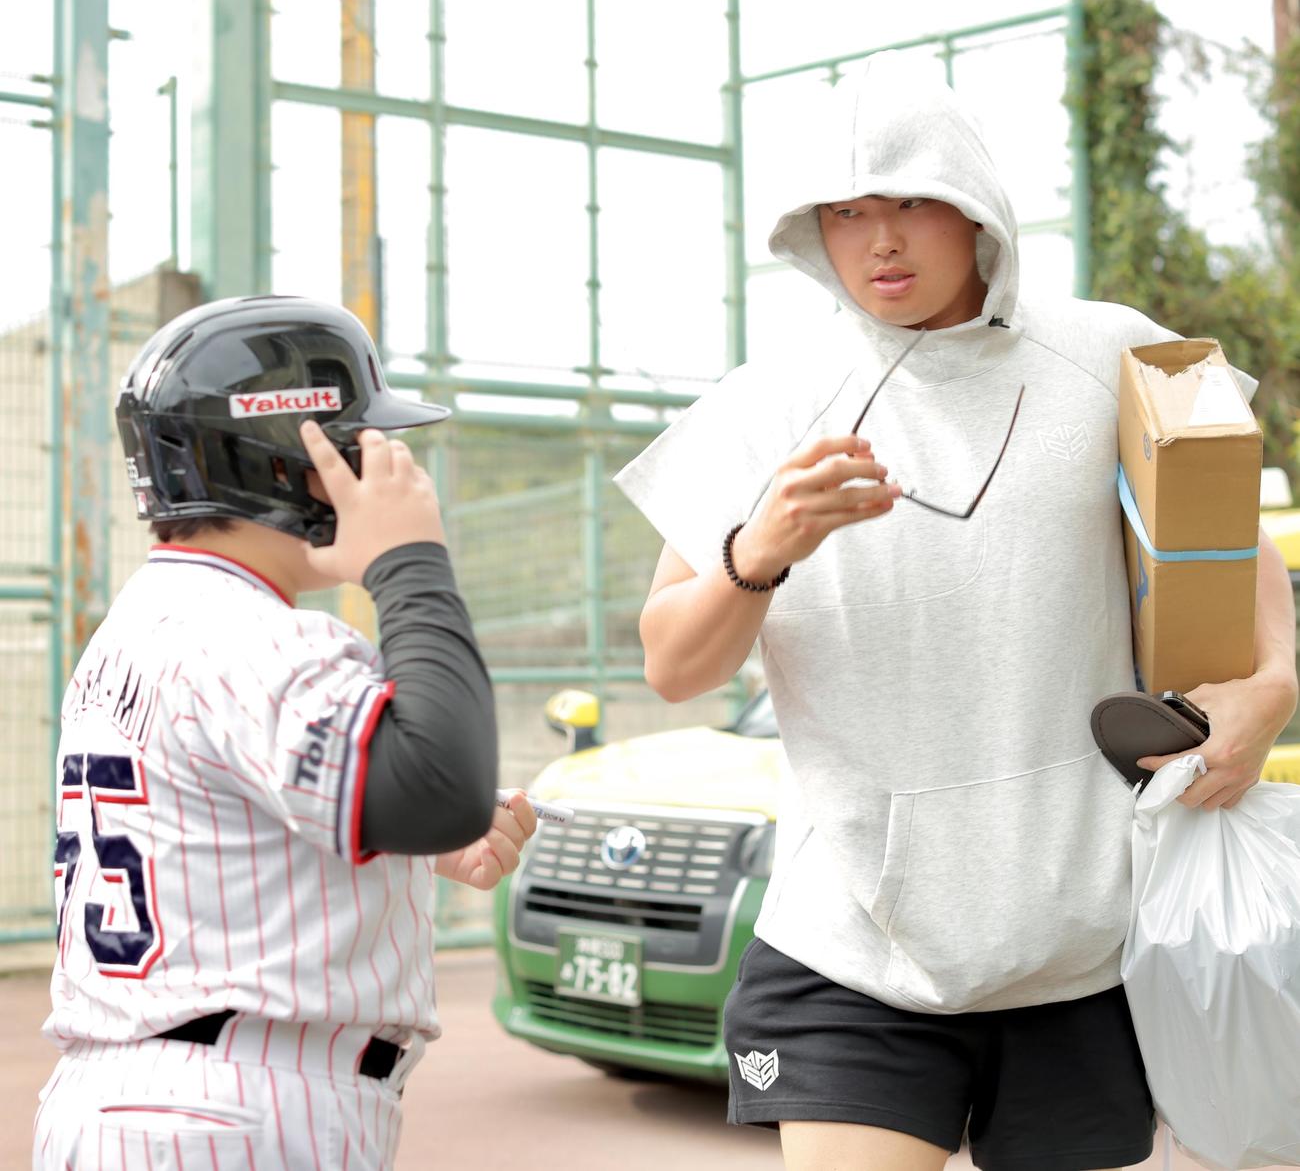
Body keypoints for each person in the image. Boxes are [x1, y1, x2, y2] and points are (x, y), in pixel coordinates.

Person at [615, 57, 1299, 1171]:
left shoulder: (1113, 350)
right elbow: (672, 665)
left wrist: (1272, 686)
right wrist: (762, 550)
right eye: (844, 212)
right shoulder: (765, 405)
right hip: (848, 944)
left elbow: (1236, 553)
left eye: (910, 202)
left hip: (1085, 939)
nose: (877, 240)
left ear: (976, 207)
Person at [32, 295, 536, 1170]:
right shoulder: (253, 633)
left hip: (157, 1097)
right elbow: (438, 788)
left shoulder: (148, 621)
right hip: (230, 1109)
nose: (378, 465)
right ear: (283, 464)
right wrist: (409, 560)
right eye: (355, 446)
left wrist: (409, 842)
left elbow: (235, 830)